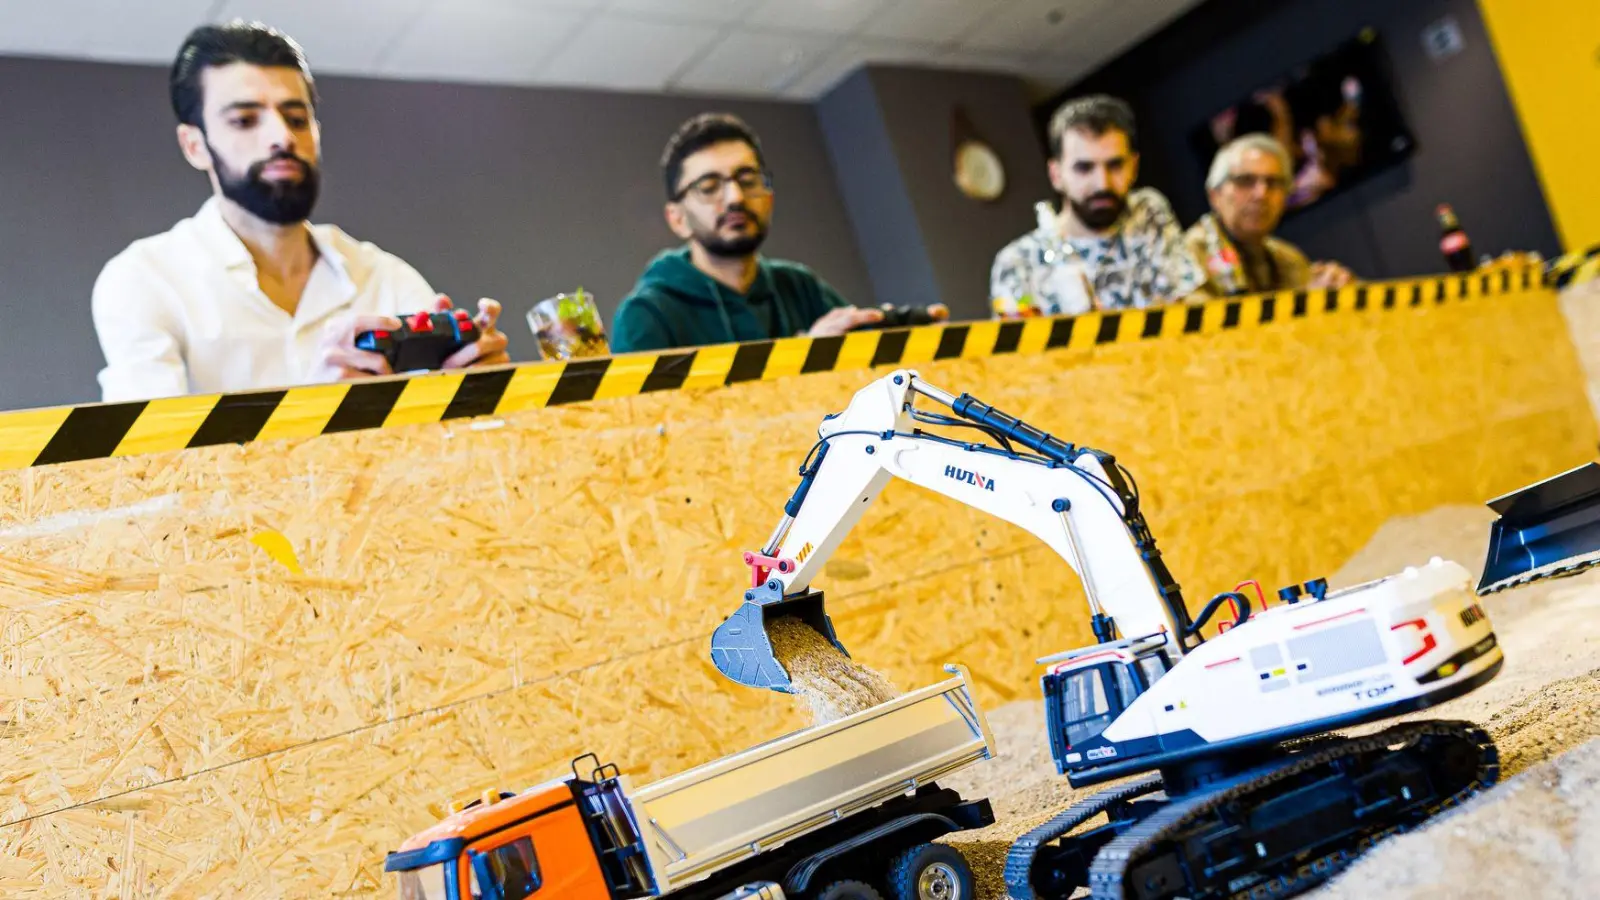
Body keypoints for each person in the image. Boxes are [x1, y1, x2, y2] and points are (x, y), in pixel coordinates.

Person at [91, 21, 508, 403]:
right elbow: (144, 467)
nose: (281, 137)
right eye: (245, 120)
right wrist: (314, 408)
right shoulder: (144, 280)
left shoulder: (386, 279)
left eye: (296, 118)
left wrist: (479, 394)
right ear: (194, 145)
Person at [611, 113, 926, 353]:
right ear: (676, 219)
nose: (735, 197)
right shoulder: (647, 315)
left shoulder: (801, 287)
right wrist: (807, 356)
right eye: (708, 187)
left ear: (769, 197)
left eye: (748, 180)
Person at [990, 95, 1204, 318]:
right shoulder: (1018, 263)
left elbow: (1189, 302)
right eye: (1084, 168)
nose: (1103, 183)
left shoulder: (1147, 211)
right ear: (1056, 174)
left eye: (1115, 165)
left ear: (1134, 166)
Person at [1183, 134, 1355, 296]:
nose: (1261, 194)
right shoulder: (1187, 257)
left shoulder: (1289, 259)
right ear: (1215, 195)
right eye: (1245, 181)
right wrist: (1305, 305)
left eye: (1273, 183)